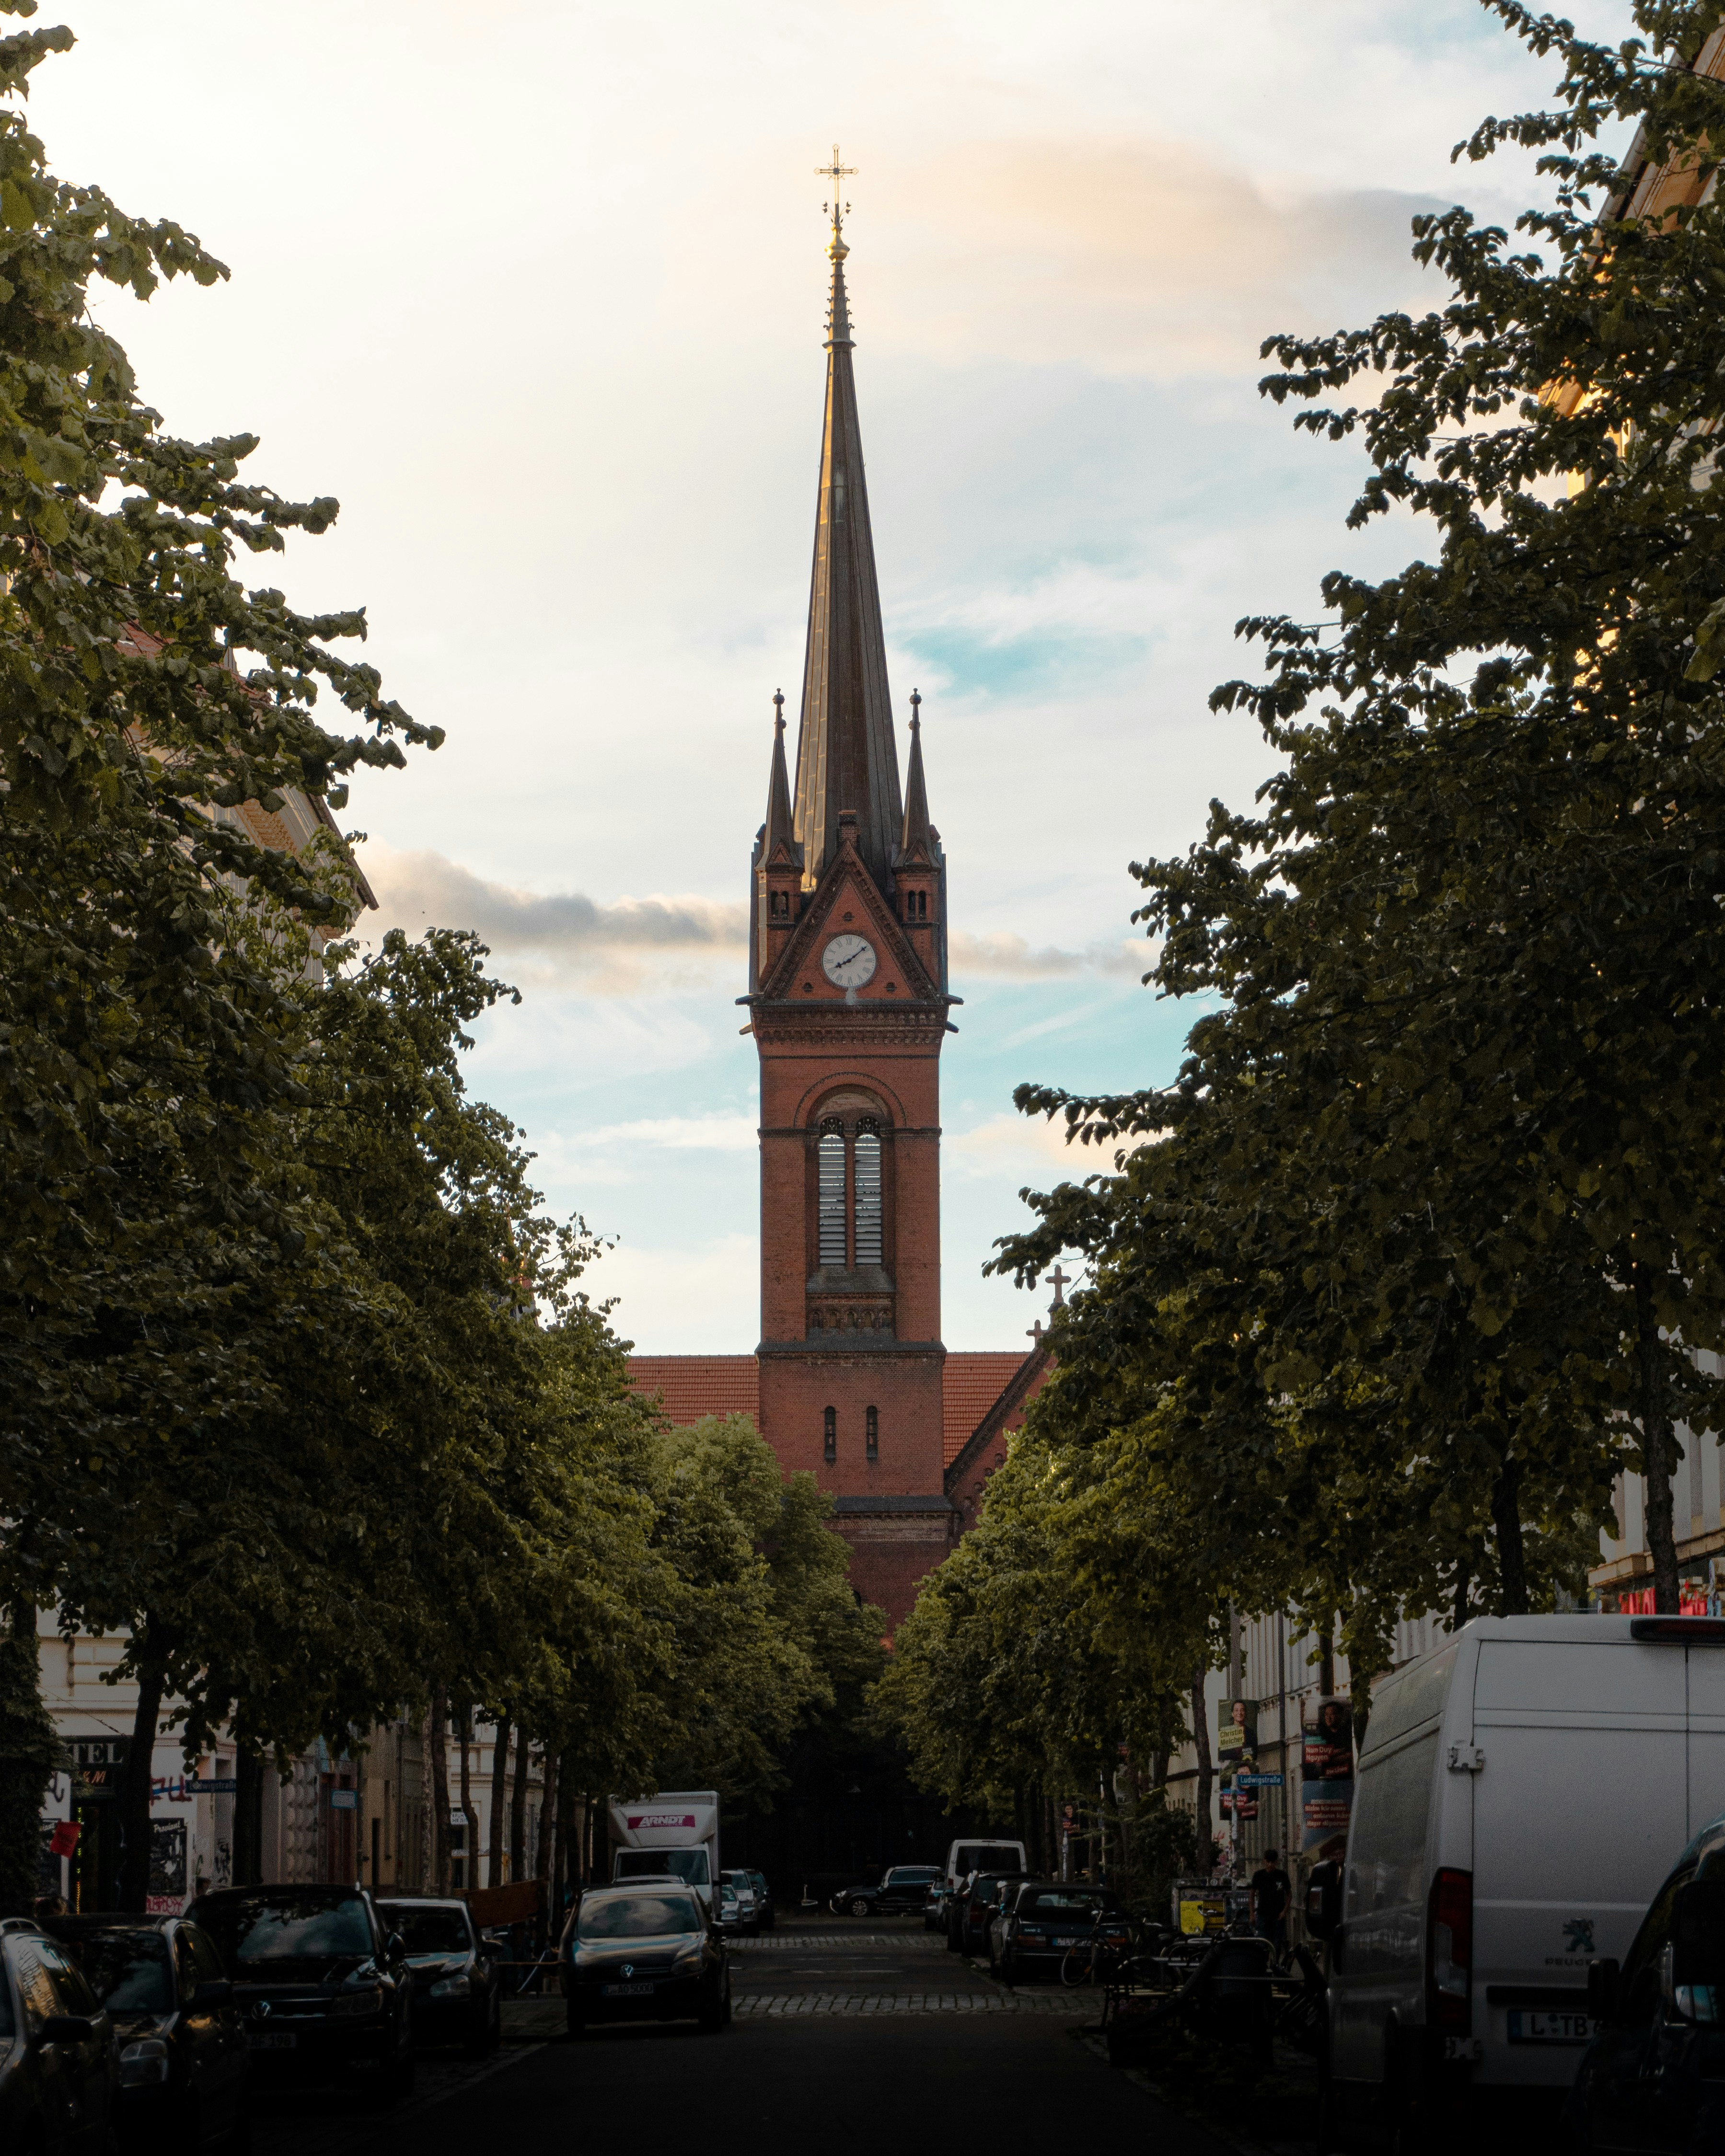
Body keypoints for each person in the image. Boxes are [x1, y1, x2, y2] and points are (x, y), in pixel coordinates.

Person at [1250, 1848, 1292, 1958]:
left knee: (1277, 1943)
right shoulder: (1259, 1875)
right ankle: (1263, 1965)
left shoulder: (1282, 1875)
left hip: (1278, 1915)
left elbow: (1289, 1894)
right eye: (1268, 1862)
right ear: (1264, 1861)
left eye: (1273, 1862)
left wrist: (1285, 1911)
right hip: (1263, 1914)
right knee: (1262, 1942)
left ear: (1276, 1862)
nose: (1270, 1865)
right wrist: (1252, 1913)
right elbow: (1252, 1894)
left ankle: (1275, 1964)